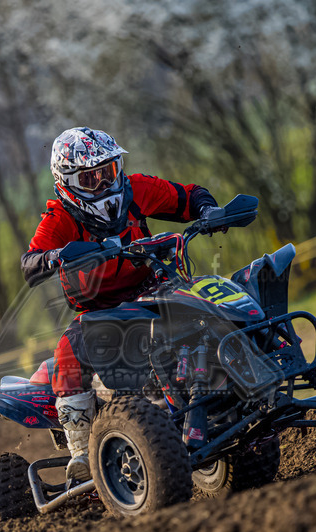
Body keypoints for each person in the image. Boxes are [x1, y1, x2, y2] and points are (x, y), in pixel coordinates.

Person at [21, 127, 218, 482]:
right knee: (67, 353)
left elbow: (188, 197)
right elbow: (29, 262)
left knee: (212, 310)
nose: (101, 183)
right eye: (90, 178)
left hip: (157, 285)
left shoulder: (135, 189)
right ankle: (82, 454)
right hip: (99, 311)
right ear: (67, 181)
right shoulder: (60, 218)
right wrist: (55, 256)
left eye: (108, 171)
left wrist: (209, 210)